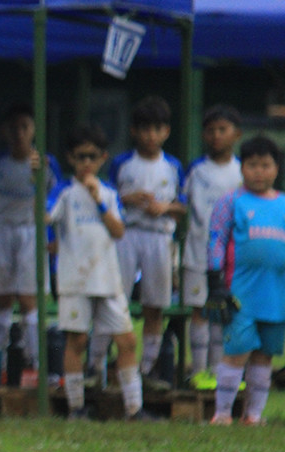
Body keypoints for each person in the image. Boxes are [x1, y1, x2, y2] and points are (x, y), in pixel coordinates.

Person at [48, 125, 146, 421]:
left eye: (92, 157)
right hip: (75, 278)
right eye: (80, 157)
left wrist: (99, 199)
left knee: (127, 340)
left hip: (107, 277)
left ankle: (134, 408)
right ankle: (76, 407)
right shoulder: (63, 191)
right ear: (70, 159)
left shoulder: (109, 192)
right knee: (76, 341)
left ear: (103, 158)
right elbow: (45, 214)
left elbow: (118, 230)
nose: (86, 163)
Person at [97, 96, 185, 388]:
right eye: (145, 129)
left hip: (159, 236)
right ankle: (106, 363)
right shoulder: (122, 163)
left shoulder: (172, 165)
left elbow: (183, 204)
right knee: (115, 298)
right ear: (134, 131)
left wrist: (165, 208)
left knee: (154, 303)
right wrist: (127, 200)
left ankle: (146, 368)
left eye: (157, 129)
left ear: (166, 132)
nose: (151, 136)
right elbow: (104, 199)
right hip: (127, 234)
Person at [0, 103, 62, 370]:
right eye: (14, 128)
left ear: (33, 130)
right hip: (4, 231)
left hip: (31, 232)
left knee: (28, 298)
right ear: (5, 131)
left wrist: (57, 237)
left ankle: (34, 363)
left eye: (24, 127)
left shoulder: (46, 164)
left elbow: (56, 201)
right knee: (2, 295)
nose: (19, 133)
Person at [206, 136, 285, 426]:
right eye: (252, 165)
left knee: (264, 356)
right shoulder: (231, 202)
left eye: (265, 165)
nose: (259, 172)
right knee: (236, 352)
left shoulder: (283, 204)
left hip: (276, 295)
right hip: (240, 293)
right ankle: (223, 413)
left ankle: (253, 415)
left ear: (276, 168)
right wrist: (215, 280)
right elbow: (216, 239)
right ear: (242, 168)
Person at [182, 105, 242, 388]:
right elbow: (181, 204)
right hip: (197, 252)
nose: (216, 136)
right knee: (199, 310)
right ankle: (198, 371)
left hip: (230, 256)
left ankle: (219, 372)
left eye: (223, 130)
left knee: (222, 311)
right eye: (211, 130)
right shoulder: (196, 169)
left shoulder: (242, 171)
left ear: (236, 134)